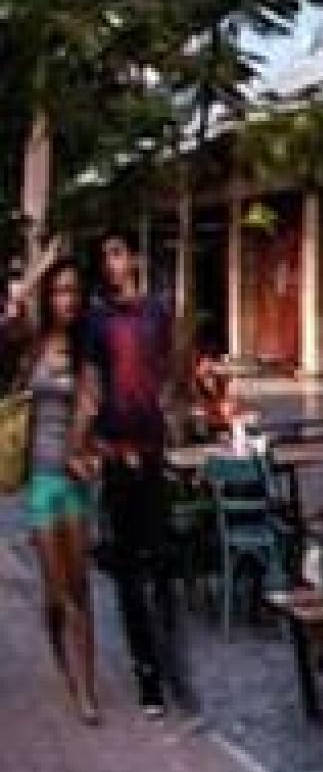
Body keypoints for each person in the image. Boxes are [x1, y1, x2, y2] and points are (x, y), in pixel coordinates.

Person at [76, 229, 186, 716]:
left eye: (118, 254)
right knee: (128, 574)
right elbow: (90, 386)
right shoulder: (96, 321)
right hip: (118, 457)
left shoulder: (157, 313)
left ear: (134, 258)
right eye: (105, 257)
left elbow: (171, 372)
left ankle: (169, 664)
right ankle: (148, 678)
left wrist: (171, 415)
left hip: (153, 452)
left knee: (162, 562)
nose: (112, 264)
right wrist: (89, 444)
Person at [10, 253, 108, 721]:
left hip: (73, 479)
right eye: (58, 291)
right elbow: (11, 314)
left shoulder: (86, 349)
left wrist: (84, 447)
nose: (66, 300)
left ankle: (86, 690)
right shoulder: (33, 344)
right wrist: (34, 274)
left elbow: (92, 404)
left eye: (73, 291)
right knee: (54, 592)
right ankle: (61, 662)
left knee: (79, 588)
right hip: (40, 479)